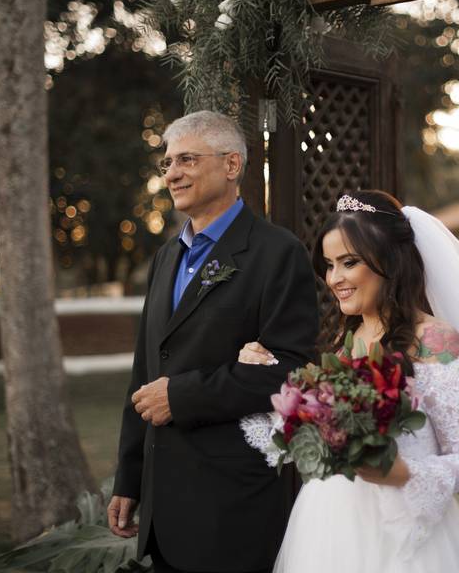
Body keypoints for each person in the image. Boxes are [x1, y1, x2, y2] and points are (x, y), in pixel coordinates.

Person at [239, 190, 459, 573]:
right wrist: (278, 386)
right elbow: (312, 438)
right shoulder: (341, 344)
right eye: (329, 265)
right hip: (327, 527)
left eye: (348, 263)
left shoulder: (436, 341)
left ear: (389, 260)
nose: (334, 279)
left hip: (406, 536)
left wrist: (405, 472)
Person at [108, 111, 319, 573]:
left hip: (233, 503)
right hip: (164, 506)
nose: (172, 173)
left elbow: (295, 371)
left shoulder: (277, 253)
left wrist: (182, 396)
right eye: (166, 164)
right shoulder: (165, 258)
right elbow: (145, 371)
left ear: (231, 165)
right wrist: (129, 476)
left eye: (186, 159)